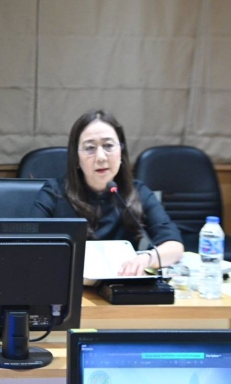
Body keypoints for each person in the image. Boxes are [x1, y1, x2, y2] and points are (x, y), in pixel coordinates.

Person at [30, 109, 183, 276]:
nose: (101, 157)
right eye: (90, 148)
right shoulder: (54, 192)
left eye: (108, 146)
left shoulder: (137, 191)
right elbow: (28, 243)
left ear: (121, 152)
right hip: (68, 283)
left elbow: (174, 246)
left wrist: (147, 259)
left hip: (120, 284)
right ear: (76, 158)